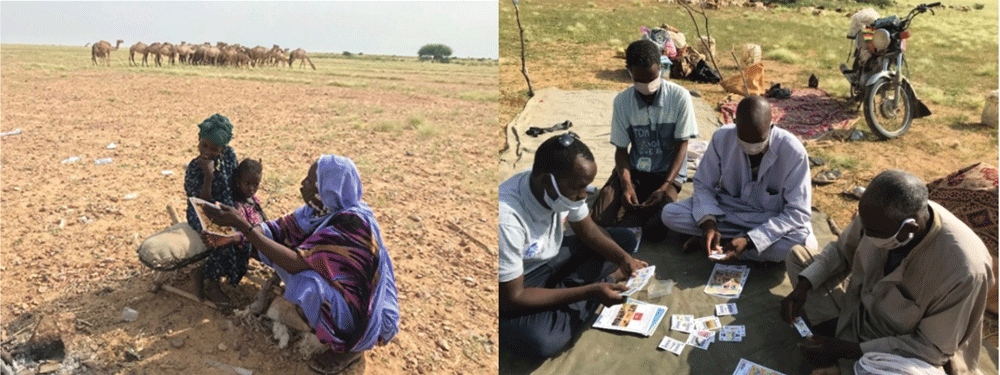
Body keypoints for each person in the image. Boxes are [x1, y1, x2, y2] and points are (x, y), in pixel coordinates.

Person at [781, 170, 993, 375]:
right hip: (858, 313)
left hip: (902, 348)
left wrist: (847, 350)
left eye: (873, 233)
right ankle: (842, 351)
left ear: (909, 229)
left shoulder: (963, 270)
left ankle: (849, 363)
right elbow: (841, 250)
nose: (866, 235)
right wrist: (803, 286)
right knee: (800, 260)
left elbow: (931, 349)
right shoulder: (879, 216)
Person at [202, 154, 399, 374]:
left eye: (310, 181)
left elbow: (296, 263)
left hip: (360, 309)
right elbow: (275, 229)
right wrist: (235, 236)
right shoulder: (318, 210)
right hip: (339, 287)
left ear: (328, 188)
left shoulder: (352, 225)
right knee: (266, 245)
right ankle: (317, 316)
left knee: (306, 283)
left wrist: (243, 226)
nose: (302, 184)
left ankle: (348, 346)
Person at [499, 133, 648, 359]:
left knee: (624, 240)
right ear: (548, 182)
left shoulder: (563, 187)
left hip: (551, 256)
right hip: (519, 283)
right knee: (541, 342)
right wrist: (590, 292)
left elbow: (586, 229)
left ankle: (568, 291)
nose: (583, 195)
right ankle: (595, 287)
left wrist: (622, 258)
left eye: (586, 187)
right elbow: (513, 298)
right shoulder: (506, 219)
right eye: (579, 188)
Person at [660, 96, 815, 262]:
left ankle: (725, 245)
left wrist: (751, 240)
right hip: (729, 210)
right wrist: (708, 223)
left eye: (758, 142)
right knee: (670, 214)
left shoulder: (793, 151)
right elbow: (703, 184)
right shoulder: (722, 137)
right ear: (735, 123)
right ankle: (725, 244)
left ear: (771, 125)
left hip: (769, 217)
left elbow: (797, 212)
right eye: (744, 141)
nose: (751, 149)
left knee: (804, 245)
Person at [590, 39, 699, 237]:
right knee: (599, 218)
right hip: (635, 171)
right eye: (641, 80)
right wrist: (626, 184)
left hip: (666, 175)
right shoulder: (622, 102)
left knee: (654, 231)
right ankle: (631, 203)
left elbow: (681, 145)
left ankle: (641, 211)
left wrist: (665, 186)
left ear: (661, 66)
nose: (648, 86)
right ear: (629, 71)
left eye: (653, 78)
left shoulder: (680, 97)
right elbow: (621, 150)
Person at [184, 113, 242, 310]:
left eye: (214, 149)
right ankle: (212, 283)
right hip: (201, 210)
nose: (207, 152)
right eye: (204, 145)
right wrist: (208, 176)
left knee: (244, 230)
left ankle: (216, 272)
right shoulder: (195, 167)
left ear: (223, 148)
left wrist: (239, 208)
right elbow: (200, 202)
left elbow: (235, 184)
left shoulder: (229, 156)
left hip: (225, 206)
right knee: (219, 236)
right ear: (199, 141)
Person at [201, 158, 268, 261]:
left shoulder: (253, 200)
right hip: (245, 242)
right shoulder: (235, 203)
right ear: (238, 180)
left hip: (257, 237)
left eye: (256, 184)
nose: (251, 188)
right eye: (247, 183)